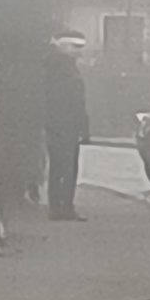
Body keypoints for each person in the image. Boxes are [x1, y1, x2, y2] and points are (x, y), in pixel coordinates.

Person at [41, 36, 89, 221]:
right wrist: (82, 126)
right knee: (66, 167)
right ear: (64, 46)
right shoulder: (63, 70)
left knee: (59, 166)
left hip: (59, 123)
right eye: (75, 46)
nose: (79, 51)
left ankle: (57, 207)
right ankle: (64, 207)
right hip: (65, 124)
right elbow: (75, 101)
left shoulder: (55, 67)